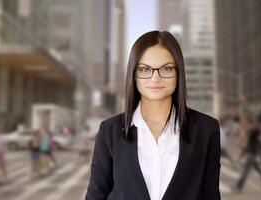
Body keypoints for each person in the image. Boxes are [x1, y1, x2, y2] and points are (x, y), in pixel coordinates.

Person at [85, 31, 221, 200]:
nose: (155, 78)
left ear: (179, 72)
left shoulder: (206, 129)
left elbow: (211, 196)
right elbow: (96, 196)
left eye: (167, 68)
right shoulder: (109, 131)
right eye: (144, 69)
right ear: (134, 75)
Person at [234, 116, 261, 192]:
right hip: (249, 151)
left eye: (246, 123)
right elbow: (244, 140)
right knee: (257, 168)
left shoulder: (256, 130)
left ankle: (239, 185)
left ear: (250, 123)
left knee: (245, 170)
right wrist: (240, 146)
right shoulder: (249, 130)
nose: (245, 124)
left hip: (253, 152)